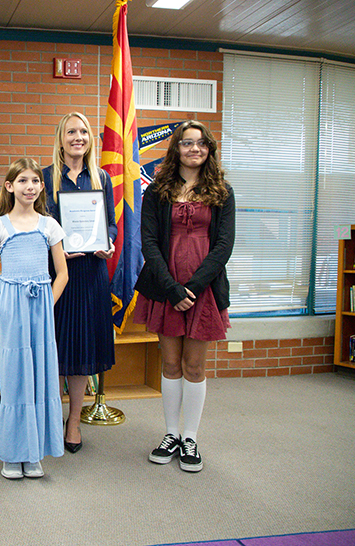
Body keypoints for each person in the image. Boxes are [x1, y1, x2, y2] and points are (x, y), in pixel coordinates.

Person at [134, 120, 235, 473]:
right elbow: (148, 242)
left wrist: (192, 288)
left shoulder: (222, 190)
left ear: (209, 149)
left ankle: (190, 437)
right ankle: (171, 434)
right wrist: (173, 289)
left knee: (194, 366)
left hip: (203, 290)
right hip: (165, 287)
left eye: (202, 143)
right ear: (176, 147)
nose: (195, 148)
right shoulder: (157, 190)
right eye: (187, 142)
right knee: (170, 364)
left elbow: (224, 245)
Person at [0, 158, 68, 479]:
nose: (29, 187)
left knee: (41, 376)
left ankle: (34, 452)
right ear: (9, 186)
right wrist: (5, 307)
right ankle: (12, 452)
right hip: (12, 308)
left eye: (35, 181)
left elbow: (62, 274)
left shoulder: (50, 226)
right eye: (22, 181)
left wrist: (47, 303)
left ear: (41, 187)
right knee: (16, 379)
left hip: (41, 309)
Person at [43, 112, 117, 453]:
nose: (78, 137)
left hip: (90, 277)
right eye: (71, 131)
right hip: (58, 278)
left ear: (90, 139)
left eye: (84, 131)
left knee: (81, 352)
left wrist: (110, 242)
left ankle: (73, 421)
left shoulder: (101, 177)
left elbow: (111, 226)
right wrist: (56, 250)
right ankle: (50, 418)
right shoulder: (44, 178)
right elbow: (35, 227)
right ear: (61, 138)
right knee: (55, 351)